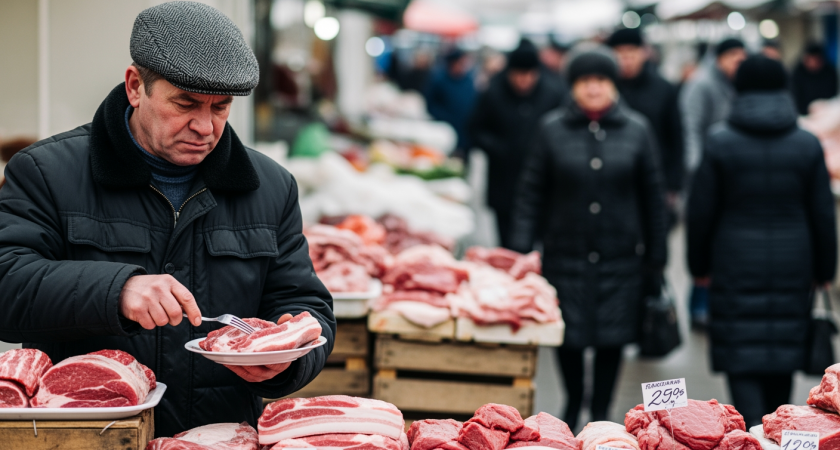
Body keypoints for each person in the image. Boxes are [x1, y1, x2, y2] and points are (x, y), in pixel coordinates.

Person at [0, 2, 335, 436]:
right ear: (136, 86)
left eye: (220, 107)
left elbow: (306, 306)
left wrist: (289, 358)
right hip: (84, 437)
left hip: (218, 439)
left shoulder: (270, 188)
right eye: (186, 103)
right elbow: (7, 284)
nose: (205, 126)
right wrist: (117, 290)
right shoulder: (45, 173)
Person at [510, 47, 667, 429]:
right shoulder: (552, 129)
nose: (593, 88)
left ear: (613, 84)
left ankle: (600, 412)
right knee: (570, 337)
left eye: (601, 80)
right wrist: (520, 248)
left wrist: (656, 257)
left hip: (620, 256)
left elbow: (653, 197)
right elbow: (531, 192)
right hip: (565, 253)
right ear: (573, 86)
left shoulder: (637, 129)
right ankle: (573, 400)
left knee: (613, 338)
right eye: (585, 81)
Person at [687, 55, 837, 427]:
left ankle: (752, 432)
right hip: (794, 260)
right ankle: (775, 428)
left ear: (739, 89)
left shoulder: (720, 141)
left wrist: (698, 266)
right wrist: (824, 268)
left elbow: (701, 212)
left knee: (741, 351)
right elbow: (822, 214)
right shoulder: (806, 143)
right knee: (781, 352)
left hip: (734, 259)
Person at [470, 39, 566, 249]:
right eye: (518, 75)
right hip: (503, 182)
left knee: (540, 242)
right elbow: (475, 129)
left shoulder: (553, 93)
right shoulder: (493, 92)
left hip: (543, 186)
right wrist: (498, 148)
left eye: (529, 75)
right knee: (507, 245)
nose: (524, 80)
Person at [680, 37, 746, 327]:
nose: (737, 61)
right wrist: (699, 170)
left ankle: (714, 305)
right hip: (706, 180)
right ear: (718, 57)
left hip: (731, 181)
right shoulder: (702, 84)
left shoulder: (737, 85)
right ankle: (698, 307)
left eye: (741, 56)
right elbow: (690, 128)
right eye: (732, 55)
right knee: (703, 240)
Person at [607, 28, 683, 225]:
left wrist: (674, 185)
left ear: (644, 53)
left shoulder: (664, 89)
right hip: (614, 178)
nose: (626, 59)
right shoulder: (604, 90)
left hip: (657, 176)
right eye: (620, 53)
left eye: (631, 52)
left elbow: (676, 136)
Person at [424, 49, 477, 157]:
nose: (463, 66)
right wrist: (445, 117)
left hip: (465, 131)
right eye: (460, 63)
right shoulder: (439, 80)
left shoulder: (468, 80)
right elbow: (430, 105)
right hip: (444, 132)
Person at [792, 42, 839, 115]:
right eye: (809, 60)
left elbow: (832, 94)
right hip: (804, 114)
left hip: (826, 113)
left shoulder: (829, 72)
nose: (812, 63)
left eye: (815, 60)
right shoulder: (797, 73)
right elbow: (795, 97)